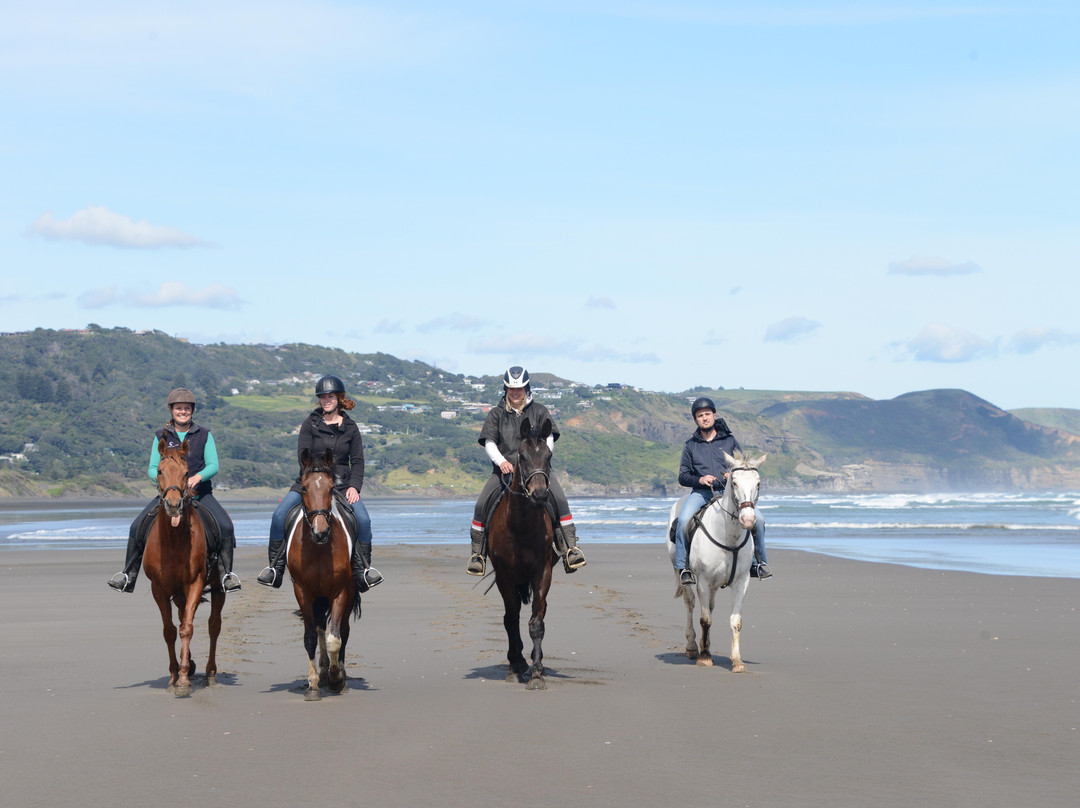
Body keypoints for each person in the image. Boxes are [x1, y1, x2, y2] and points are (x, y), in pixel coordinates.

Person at [256, 374, 383, 592]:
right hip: (311, 482)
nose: (326, 400)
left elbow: (359, 461)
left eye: (330, 396)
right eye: (323, 397)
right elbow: (302, 456)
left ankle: (363, 570)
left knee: (363, 520)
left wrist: (354, 486)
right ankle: (275, 568)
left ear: (339, 398)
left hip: (342, 484)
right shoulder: (310, 424)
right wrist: (315, 478)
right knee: (279, 515)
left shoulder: (351, 428)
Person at [107, 388, 241, 593]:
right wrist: (166, 482)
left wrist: (197, 477)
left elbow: (213, 465)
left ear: (192, 410)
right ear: (172, 410)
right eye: (179, 408)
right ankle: (128, 575)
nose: (183, 412)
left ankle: (226, 576)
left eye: (187, 408)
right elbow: (152, 468)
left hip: (200, 494)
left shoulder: (204, 435)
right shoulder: (161, 436)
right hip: (169, 494)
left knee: (225, 527)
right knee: (136, 528)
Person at [467, 365, 586, 576]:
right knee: (480, 505)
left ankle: (570, 549)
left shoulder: (540, 411)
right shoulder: (496, 414)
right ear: (505, 389)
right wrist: (501, 461)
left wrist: (542, 460)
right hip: (504, 471)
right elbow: (489, 442)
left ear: (526, 388)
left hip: (536, 469)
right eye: (511, 389)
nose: (515, 393)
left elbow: (549, 437)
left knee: (560, 501)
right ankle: (478, 555)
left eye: (519, 388)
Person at [673, 396, 772, 586]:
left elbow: (743, 466)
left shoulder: (729, 440)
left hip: (729, 495)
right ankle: (683, 567)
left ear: (714, 415)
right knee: (684, 520)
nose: (704, 418)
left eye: (707, 414)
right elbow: (683, 476)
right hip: (701, 493)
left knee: (758, 519)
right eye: (700, 415)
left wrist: (732, 475)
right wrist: (700, 479)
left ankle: (759, 563)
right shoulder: (690, 445)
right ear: (696, 419)